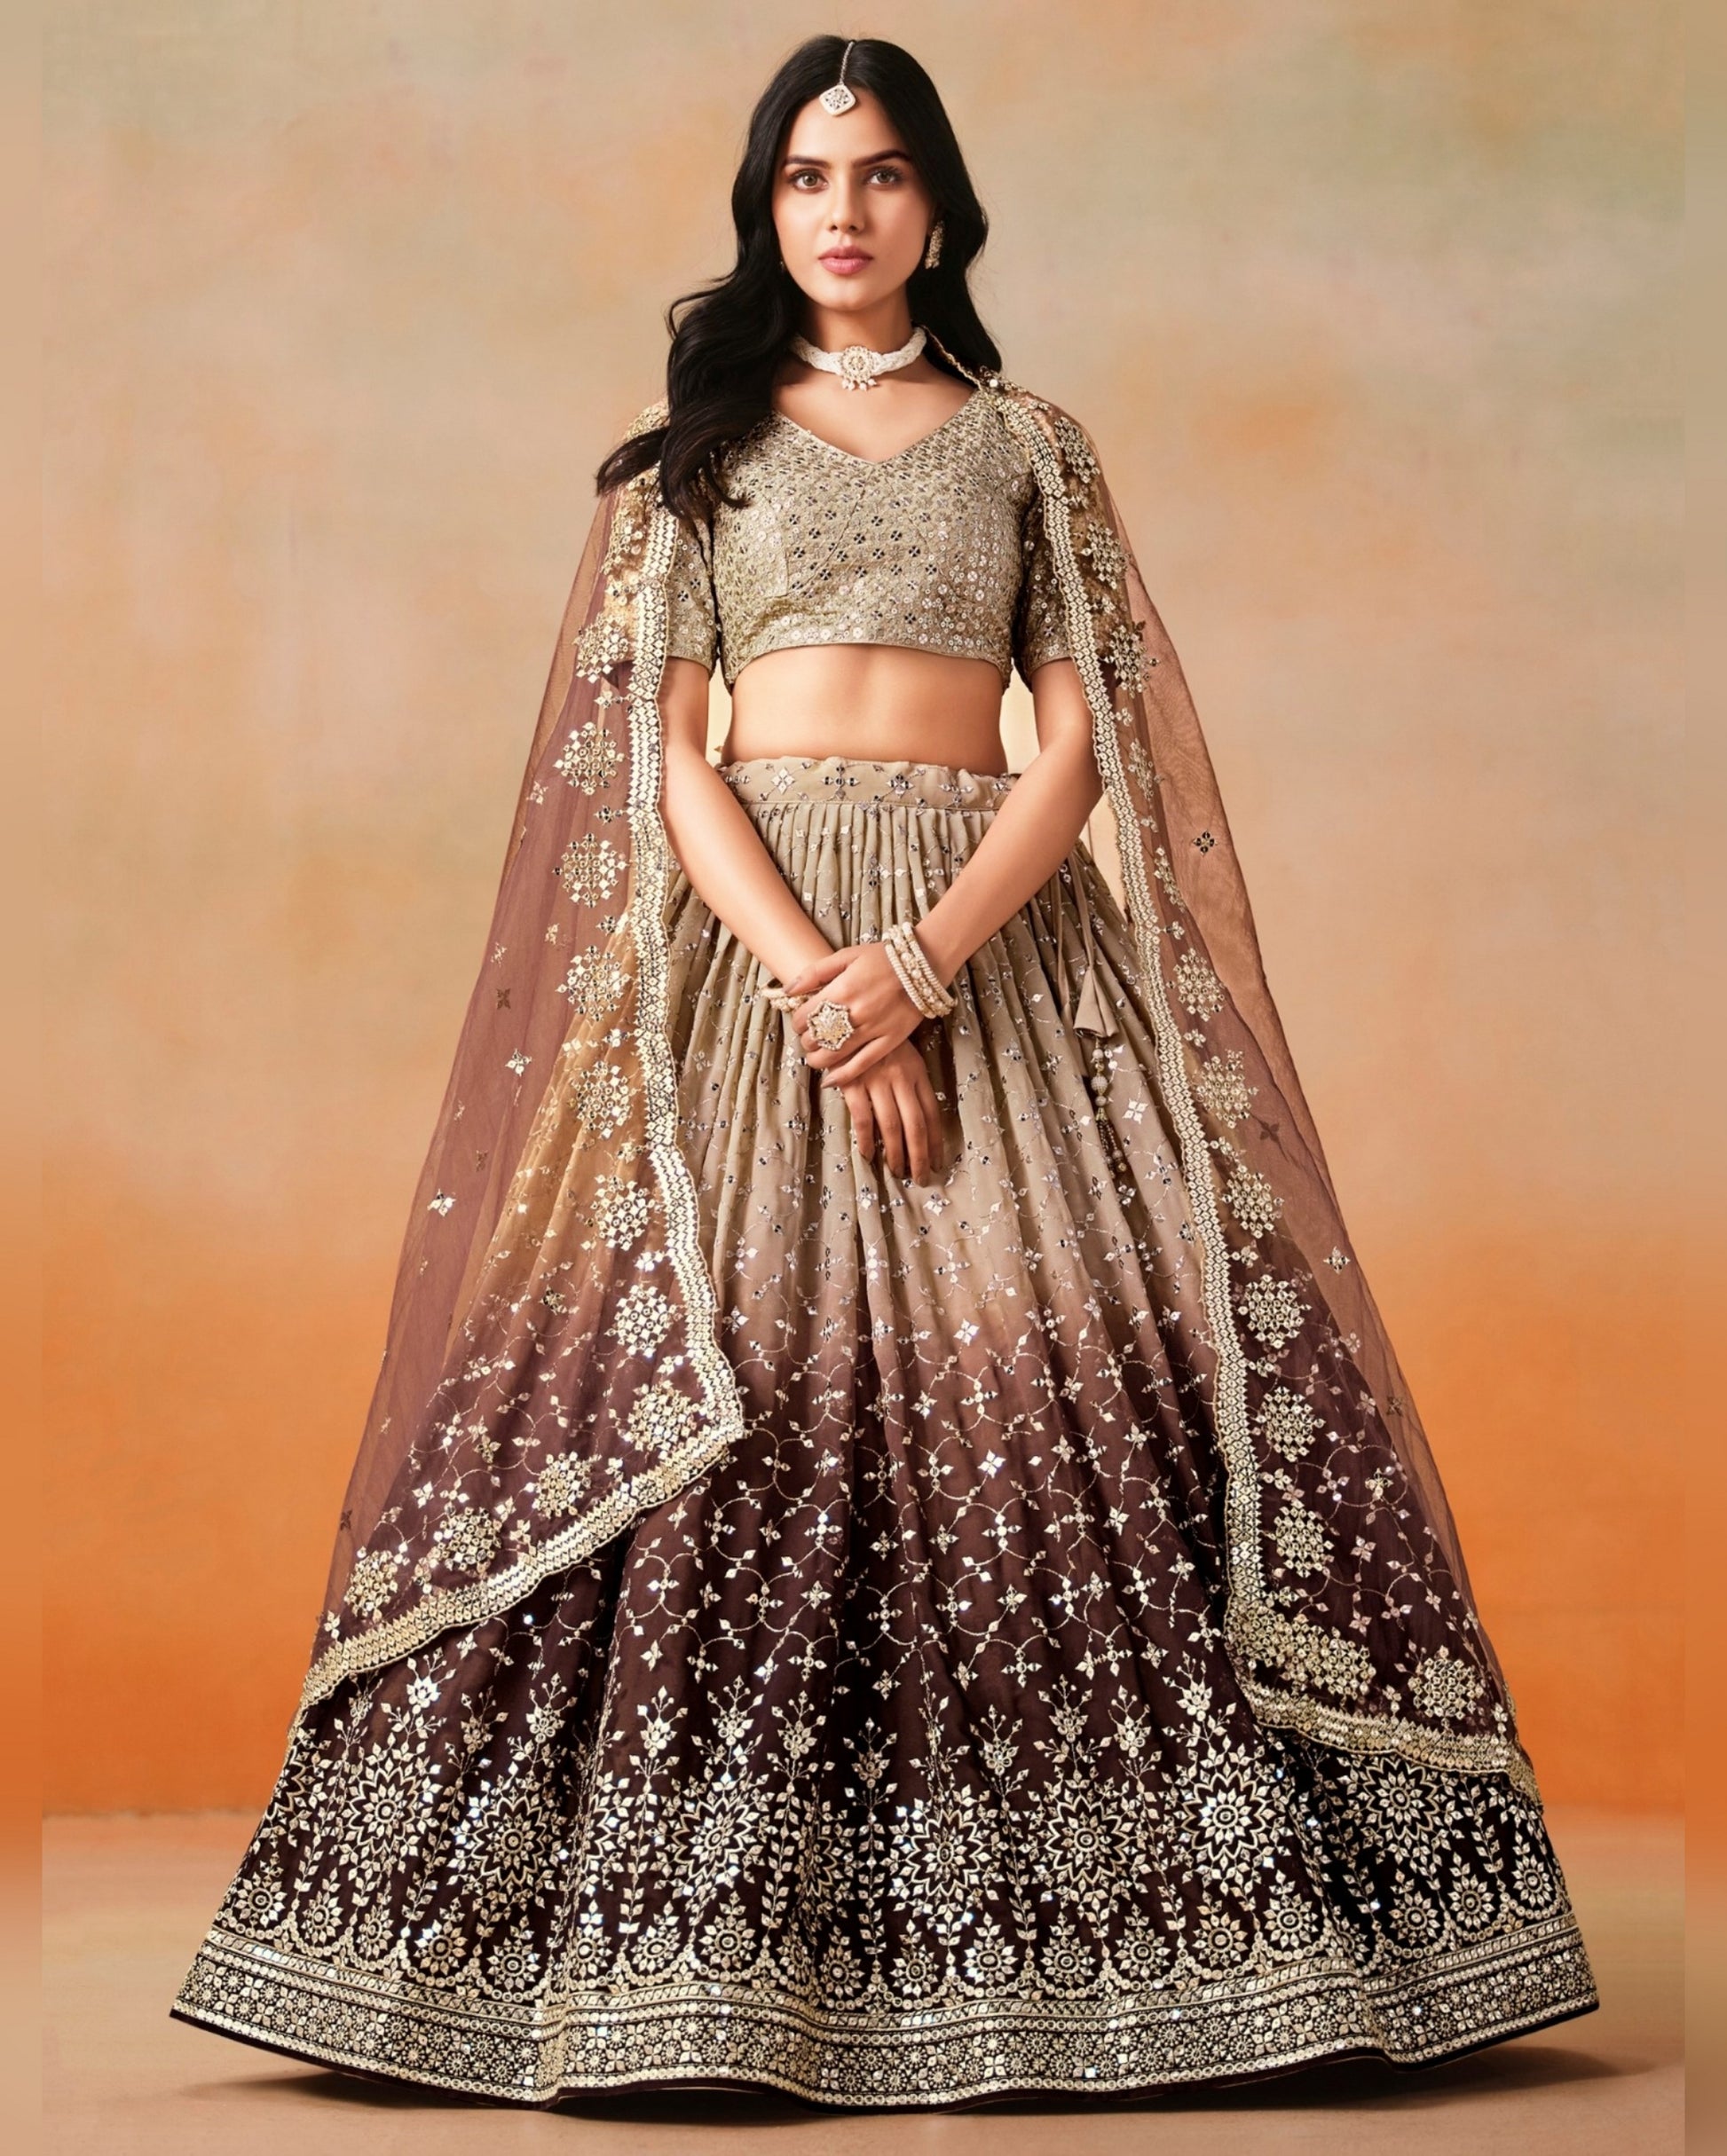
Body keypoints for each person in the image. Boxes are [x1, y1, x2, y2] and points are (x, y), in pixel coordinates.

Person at [172, 33, 1597, 2109]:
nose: (841, 211)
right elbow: (665, 757)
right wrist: (820, 991)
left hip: (991, 941)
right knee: (679, 1391)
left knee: (1068, 1377)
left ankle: (1149, 1951)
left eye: (882, 173)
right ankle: (667, 1956)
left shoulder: (1031, 445)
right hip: (747, 961)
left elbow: (1087, 740)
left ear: (941, 206)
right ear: (763, 212)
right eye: (804, 178)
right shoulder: (693, 457)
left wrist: (922, 964)